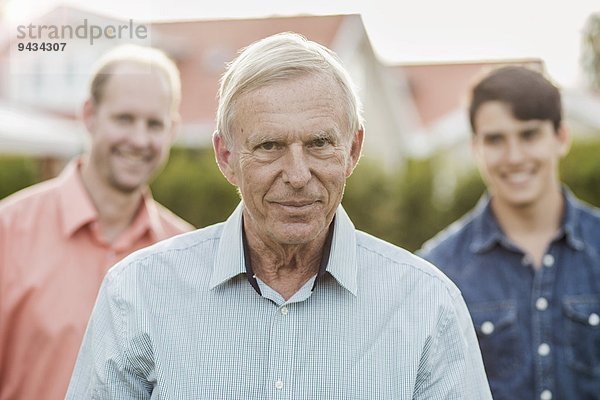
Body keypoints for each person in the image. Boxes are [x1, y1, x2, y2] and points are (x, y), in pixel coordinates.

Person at [66, 32, 491, 399]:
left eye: (320, 142)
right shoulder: (138, 293)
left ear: (353, 150)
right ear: (226, 157)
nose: (298, 175)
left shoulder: (426, 304)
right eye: (270, 146)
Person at [0, 45, 194, 400]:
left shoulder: (188, 254)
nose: (138, 139)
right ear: (89, 115)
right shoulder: (8, 232)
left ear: (172, 130)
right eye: (124, 119)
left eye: (154, 124)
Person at [419, 66, 600, 400]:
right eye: (496, 139)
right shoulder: (436, 272)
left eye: (529, 135)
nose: (514, 157)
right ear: (476, 147)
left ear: (561, 138)